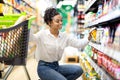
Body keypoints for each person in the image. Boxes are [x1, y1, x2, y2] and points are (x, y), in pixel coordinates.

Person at [30, 7, 91, 80]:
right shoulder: (42, 34)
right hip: (44, 67)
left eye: (61, 20)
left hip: (56, 66)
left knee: (78, 70)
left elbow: (78, 44)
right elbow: (31, 38)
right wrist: (28, 24)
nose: (61, 23)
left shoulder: (64, 36)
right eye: (57, 21)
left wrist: (88, 38)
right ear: (49, 23)